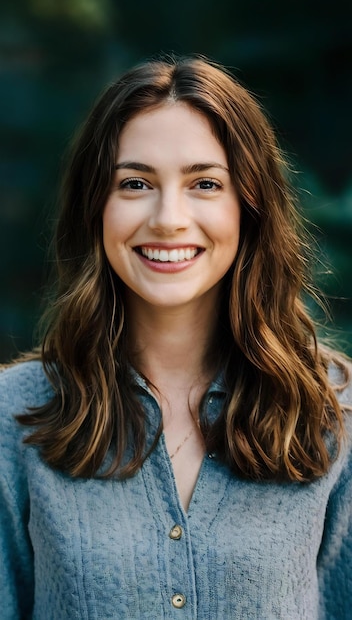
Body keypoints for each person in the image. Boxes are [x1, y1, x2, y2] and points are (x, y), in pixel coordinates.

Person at [1, 55, 351, 620]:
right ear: (96, 208)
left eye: (205, 183)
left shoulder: (336, 410)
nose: (168, 218)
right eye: (135, 183)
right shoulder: (12, 415)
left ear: (250, 207)